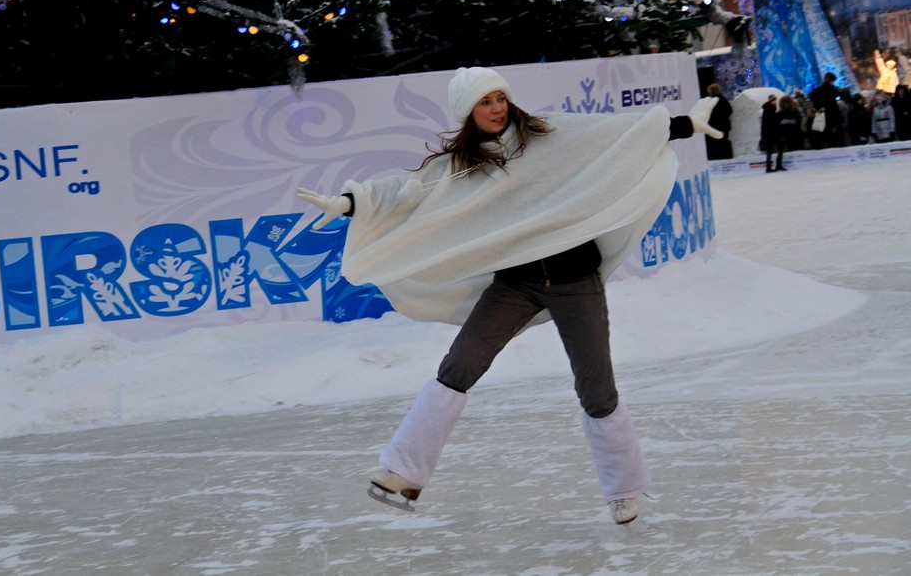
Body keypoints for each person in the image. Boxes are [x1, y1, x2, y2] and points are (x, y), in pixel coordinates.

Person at [297, 67, 723, 525]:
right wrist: (351, 202)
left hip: (574, 280)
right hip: (515, 284)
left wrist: (683, 124)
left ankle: (624, 488)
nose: (496, 108)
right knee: (459, 365)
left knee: (595, 387)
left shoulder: (548, 134)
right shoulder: (462, 167)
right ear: (468, 112)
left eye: (500, 98)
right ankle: (403, 471)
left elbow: (615, 136)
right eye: (485, 102)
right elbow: (407, 191)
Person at [809, 72, 841, 150]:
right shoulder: (827, 89)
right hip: (829, 114)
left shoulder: (825, 89)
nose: (833, 83)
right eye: (832, 81)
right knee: (830, 132)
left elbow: (812, 95)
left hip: (828, 113)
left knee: (828, 132)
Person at [704, 83, 733, 159]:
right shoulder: (724, 100)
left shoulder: (710, 101)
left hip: (714, 125)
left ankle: (716, 156)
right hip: (724, 125)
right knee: (724, 141)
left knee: (715, 142)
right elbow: (729, 111)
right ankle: (727, 156)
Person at [772, 95, 801, 172]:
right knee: (785, 149)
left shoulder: (792, 112)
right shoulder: (782, 113)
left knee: (789, 148)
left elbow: (798, 122)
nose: (786, 105)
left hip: (789, 134)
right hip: (785, 134)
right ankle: (781, 164)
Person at [760, 94, 778, 158]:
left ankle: (770, 166)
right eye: (774, 100)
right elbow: (768, 122)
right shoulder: (769, 109)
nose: (775, 101)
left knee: (771, 149)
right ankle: (769, 166)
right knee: (770, 149)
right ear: (771, 101)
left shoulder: (771, 109)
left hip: (770, 132)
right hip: (769, 132)